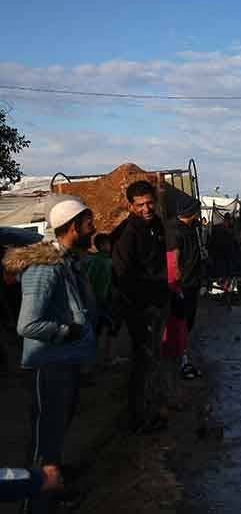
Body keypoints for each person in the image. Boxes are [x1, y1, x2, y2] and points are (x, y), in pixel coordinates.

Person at [4, 198, 97, 513]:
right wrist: (66, 331)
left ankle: (50, 492)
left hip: (65, 361)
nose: (93, 229)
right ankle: (36, 504)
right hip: (50, 364)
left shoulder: (67, 261)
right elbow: (27, 324)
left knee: (55, 434)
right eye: (88, 223)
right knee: (45, 440)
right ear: (72, 227)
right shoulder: (45, 268)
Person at [112, 180, 169, 433]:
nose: (146, 208)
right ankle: (138, 419)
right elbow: (123, 276)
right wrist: (140, 308)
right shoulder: (128, 233)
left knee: (154, 359)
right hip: (140, 308)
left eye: (149, 203)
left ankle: (151, 410)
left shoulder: (156, 225)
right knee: (142, 363)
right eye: (140, 205)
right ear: (130, 205)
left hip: (157, 302)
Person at [165, 195, 205, 379]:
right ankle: (179, 354)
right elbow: (174, 259)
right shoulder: (175, 230)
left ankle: (181, 349)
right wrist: (177, 284)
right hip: (184, 284)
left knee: (188, 319)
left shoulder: (190, 227)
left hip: (193, 281)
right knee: (182, 319)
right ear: (191, 212)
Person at [84, 233, 117, 365]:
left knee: (99, 330)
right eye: (108, 244)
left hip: (97, 299)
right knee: (108, 328)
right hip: (101, 300)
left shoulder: (94, 259)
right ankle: (106, 358)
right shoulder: (104, 261)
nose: (110, 246)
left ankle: (96, 359)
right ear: (103, 245)